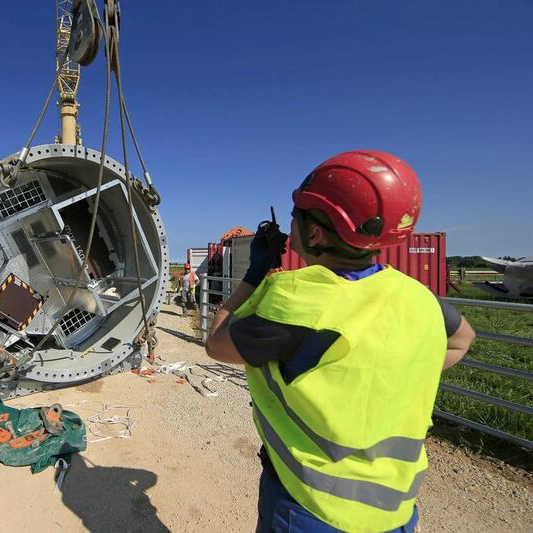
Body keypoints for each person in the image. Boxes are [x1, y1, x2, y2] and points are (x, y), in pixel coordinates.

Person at [204, 150, 476, 532]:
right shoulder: (418, 297)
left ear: (315, 233)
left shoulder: (295, 304)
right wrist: (387, 374)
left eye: (297, 215)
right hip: (396, 511)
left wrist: (255, 272)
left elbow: (216, 342)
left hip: (310, 508)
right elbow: (462, 340)